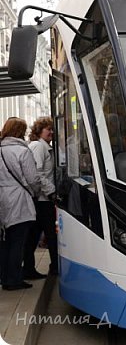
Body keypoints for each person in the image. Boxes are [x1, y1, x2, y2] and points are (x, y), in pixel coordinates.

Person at [0, 117, 41, 290]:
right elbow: (32, 178)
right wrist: (36, 191)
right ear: (20, 131)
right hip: (19, 200)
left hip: (2, 199)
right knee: (18, 241)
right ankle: (14, 279)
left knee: (5, 242)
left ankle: (4, 276)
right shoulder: (22, 151)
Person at [23, 117, 58, 278]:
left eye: (52, 129)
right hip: (43, 200)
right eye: (48, 129)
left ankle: (30, 269)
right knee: (49, 234)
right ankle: (54, 267)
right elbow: (37, 173)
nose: (51, 132)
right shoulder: (38, 146)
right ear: (39, 131)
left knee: (35, 235)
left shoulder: (44, 147)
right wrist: (51, 192)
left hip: (43, 199)